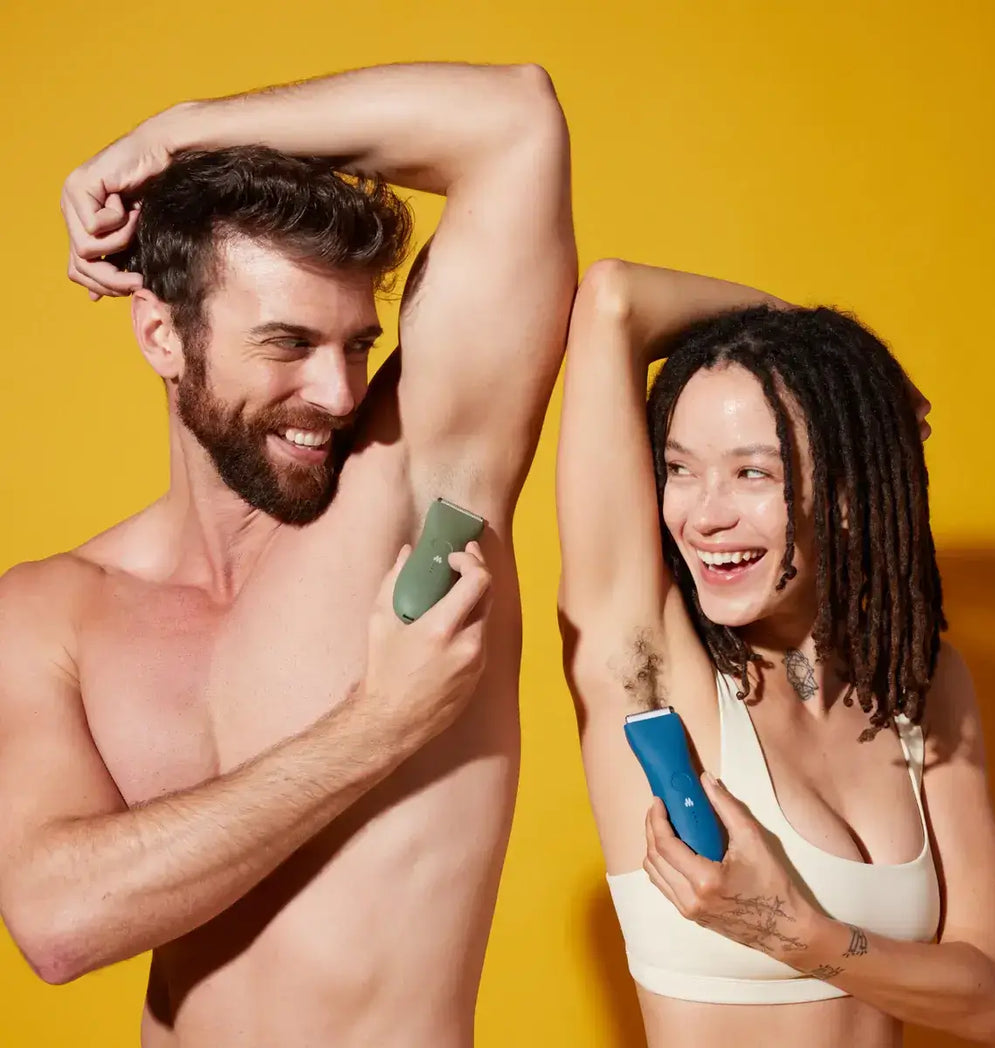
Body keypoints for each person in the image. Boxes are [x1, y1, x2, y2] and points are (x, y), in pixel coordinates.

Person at [0, 62, 575, 1047]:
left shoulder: (412, 483)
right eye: (288, 342)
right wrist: (375, 726)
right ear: (161, 333)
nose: (341, 391)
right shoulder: (51, 611)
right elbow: (57, 919)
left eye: (357, 342)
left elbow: (514, 121)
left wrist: (179, 128)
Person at [556, 259, 995, 1047]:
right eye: (679, 469)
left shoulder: (917, 684)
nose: (704, 515)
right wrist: (808, 346)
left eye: (752, 473)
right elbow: (612, 299)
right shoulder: (648, 661)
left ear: (843, 493)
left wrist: (795, 933)